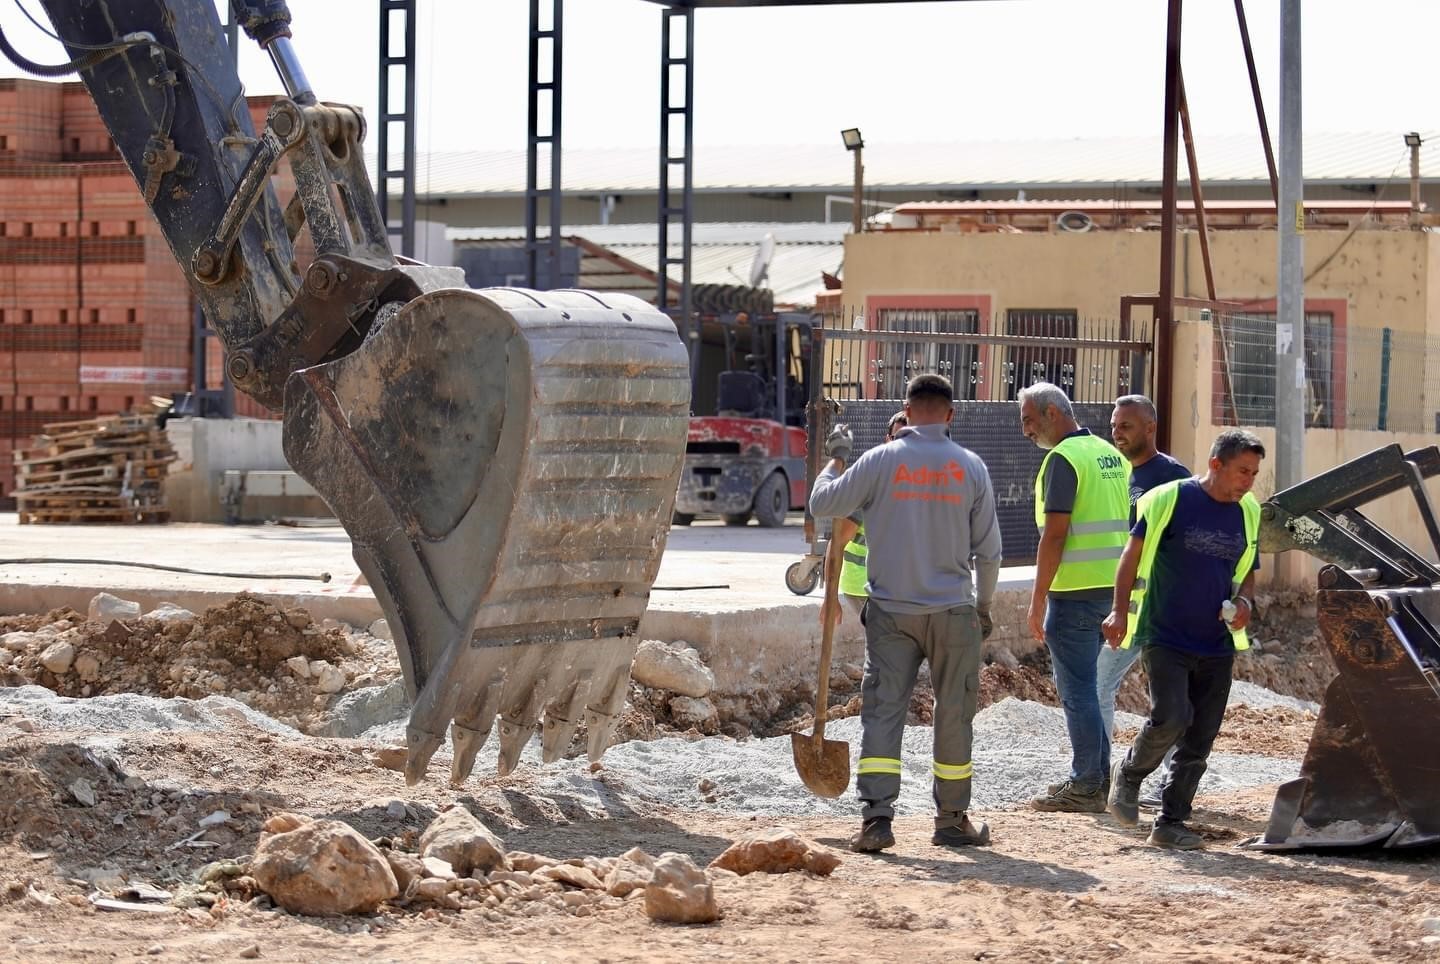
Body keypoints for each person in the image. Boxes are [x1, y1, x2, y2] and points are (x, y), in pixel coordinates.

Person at [810, 374, 1002, 853]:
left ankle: (877, 820)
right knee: (954, 715)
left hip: (891, 612)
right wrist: (983, 608)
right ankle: (952, 820)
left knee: (883, 713)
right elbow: (991, 554)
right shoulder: (971, 467)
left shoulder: (879, 461)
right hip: (953, 611)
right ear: (951, 414)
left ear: (906, 409)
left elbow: (821, 504)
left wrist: (835, 459)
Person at [1102, 430, 1264, 850]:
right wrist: (1119, 611)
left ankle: (1170, 821)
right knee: (1172, 716)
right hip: (1165, 634)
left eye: (1254, 473)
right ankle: (1131, 774)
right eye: (1242, 471)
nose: (1249, 480)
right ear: (1216, 464)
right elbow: (1130, 557)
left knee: (1200, 737)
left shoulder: (1247, 511)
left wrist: (1244, 601)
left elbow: (1247, 568)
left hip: (1216, 642)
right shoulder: (1169, 499)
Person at [1019, 381, 1130, 813]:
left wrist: (1037, 598)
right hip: (1112, 589)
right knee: (1090, 688)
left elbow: (1056, 534)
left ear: (1052, 413)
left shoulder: (1063, 459)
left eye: (1028, 420)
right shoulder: (1109, 454)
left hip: (1075, 593)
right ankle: (1097, 780)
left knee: (1079, 691)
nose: (1025, 431)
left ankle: (1087, 784)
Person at [1096, 396, 1191, 743]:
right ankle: (1098, 775)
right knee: (1101, 684)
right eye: (1114, 427)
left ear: (1150, 427)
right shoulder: (1126, 473)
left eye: (1126, 426)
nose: (1117, 434)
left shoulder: (1171, 475)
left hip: (1161, 606)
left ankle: (1163, 782)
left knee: (1164, 697)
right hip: (1134, 604)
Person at [820, 411, 908, 624]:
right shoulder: (872, 483)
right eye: (898, 439)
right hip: (864, 586)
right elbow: (838, 542)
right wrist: (830, 599)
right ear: (888, 440)